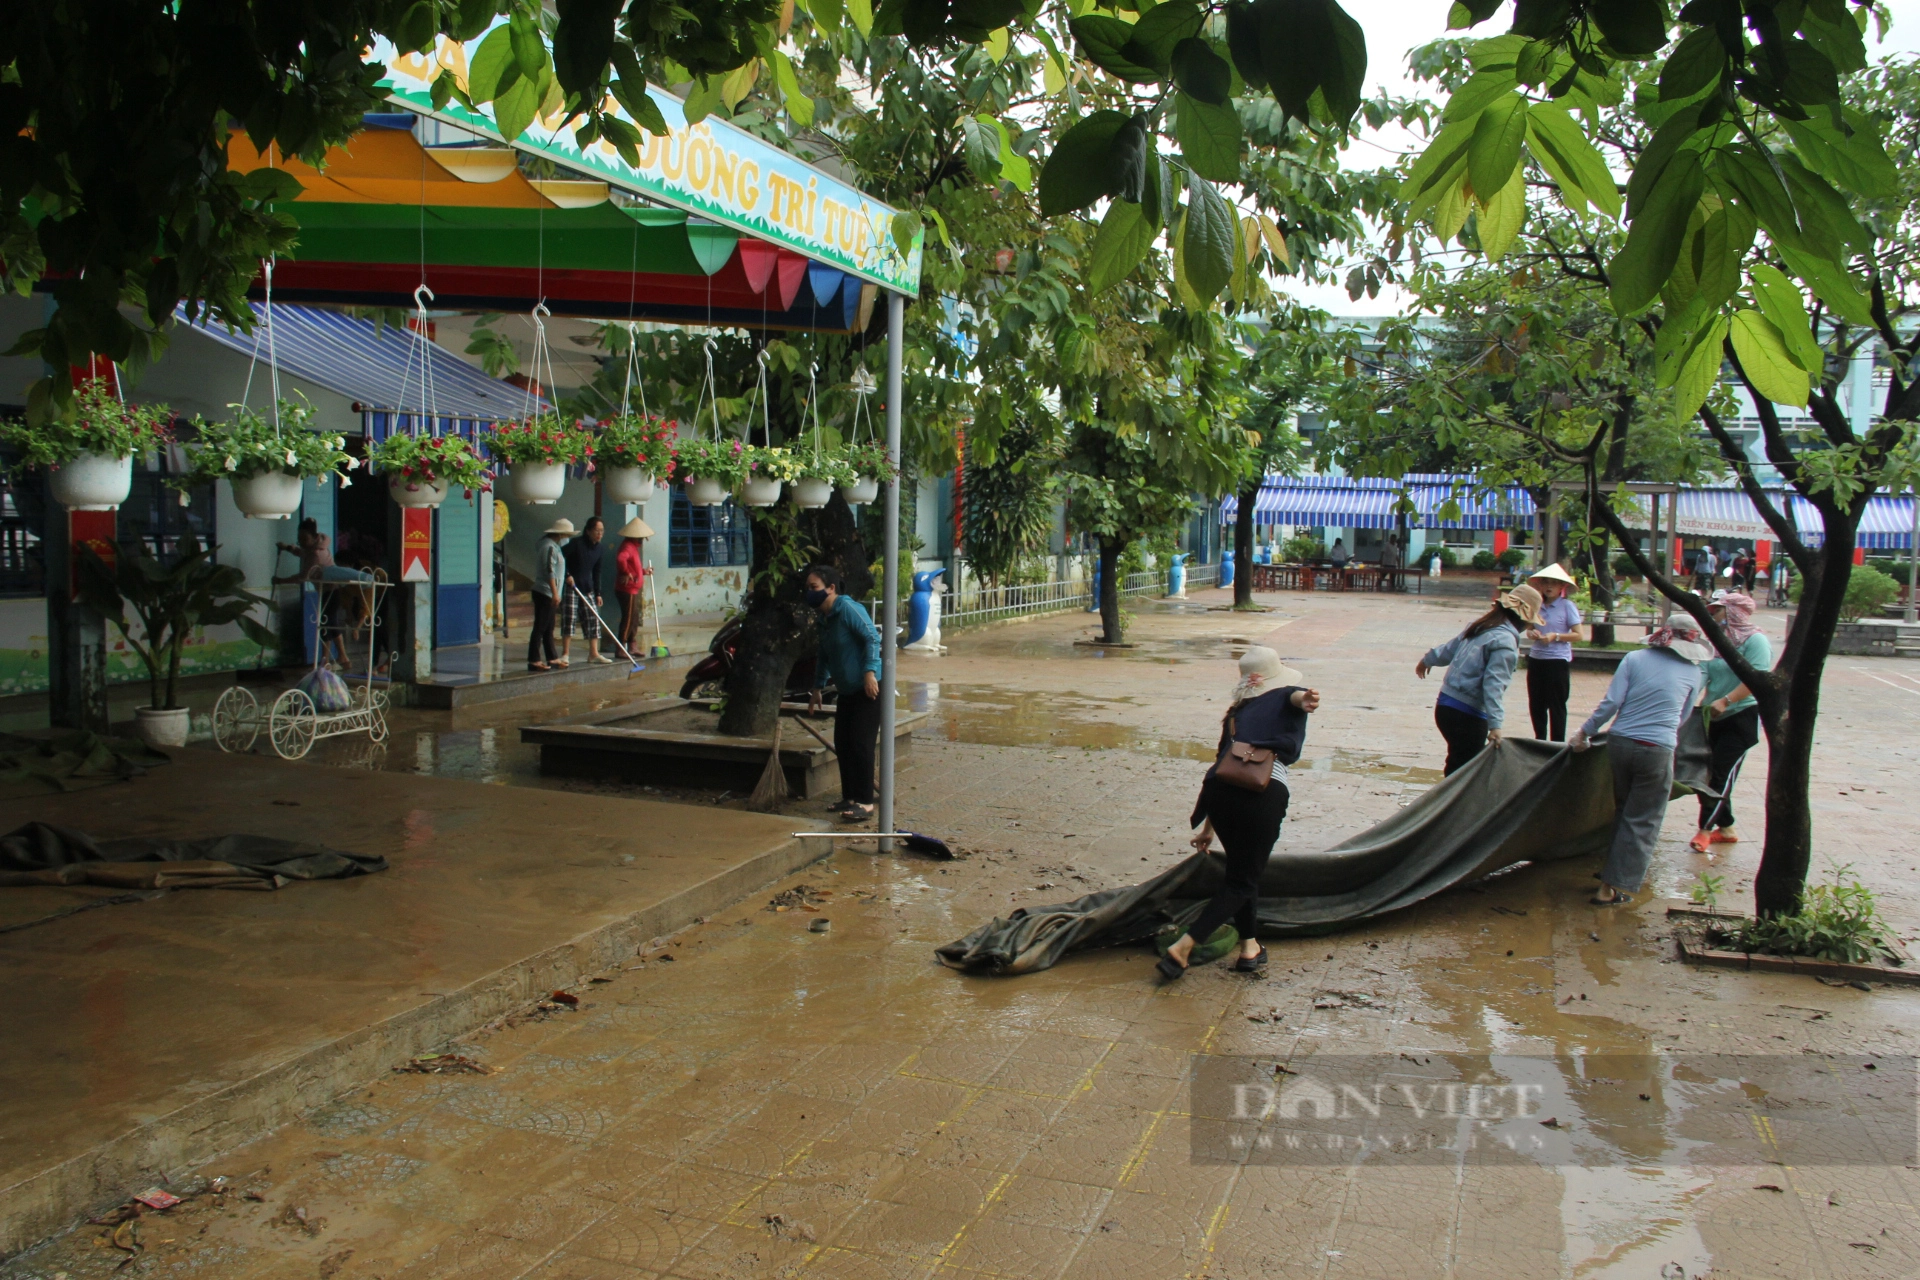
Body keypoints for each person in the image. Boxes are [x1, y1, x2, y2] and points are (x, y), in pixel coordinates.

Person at [1158, 647, 1319, 981]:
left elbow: (1222, 765)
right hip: (1261, 795)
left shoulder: (1236, 713)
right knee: (1243, 878)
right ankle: (1185, 946)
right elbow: (1296, 697)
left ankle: (1249, 948)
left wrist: (1207, 828)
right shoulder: (1283, 695)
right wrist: (1307, 698)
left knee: (1242, 870)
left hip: (1219, 795)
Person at [1569, 613, 1711, 905]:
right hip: (1657, 749)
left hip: (1619, 744)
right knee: (1643, 819)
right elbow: (1682, 718)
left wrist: (1584, 732)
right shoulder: (1693, 673)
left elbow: (1612, 703)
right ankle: (1612, 887)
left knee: (1624, 809)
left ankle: (1610, 869)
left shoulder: (1634, 659)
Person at [1416, 583, 1543, 775]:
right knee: (1465, 772)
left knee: (1457, 763)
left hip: (1445, 707)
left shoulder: (1481, 626)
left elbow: (1449, 650)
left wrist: (1428, 660)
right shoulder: (1505, 642)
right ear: (1523, 620)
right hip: (1468, 714)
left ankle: (1448, 802)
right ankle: (1451, 804)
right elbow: (1493, 685)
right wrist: (1496, 725)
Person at [1690, 591, 1771, 853]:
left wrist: (1727, 700)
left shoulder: (1755, 640)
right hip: (1712, 715)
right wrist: (1691, 697)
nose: (1713, 614)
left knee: (1721, 774)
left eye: (1718, 610)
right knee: (1710, 773)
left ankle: (1704, 829)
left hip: (1741, 716)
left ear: (1733, 611)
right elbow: (1704, 669)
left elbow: (1756, 678)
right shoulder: (1718, 640)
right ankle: (1726, 828)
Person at [805, 565, 884, 822]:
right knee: (844, 744)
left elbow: (872, 637)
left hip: (867, 689)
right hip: (846, 689)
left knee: (861, 744)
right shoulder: (824, 619)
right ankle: (849, 797)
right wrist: (817, 687)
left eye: (814, 587)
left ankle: (866, 802)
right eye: (808, 588)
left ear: (831, 588)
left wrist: (870, 672)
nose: (810, 592)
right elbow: (824, 656)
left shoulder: (848, 609)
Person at [1523, 565, 1583, 741]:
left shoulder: (1567, 606)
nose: (1549, 587)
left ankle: (1557, 744)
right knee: (1536, 704)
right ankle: (1539, 740)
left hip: (1557, 661)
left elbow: (1578, 635)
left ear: (1561, 587)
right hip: (1536, 659)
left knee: (1556, 705)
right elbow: (1529, 628)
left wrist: (1556, 636)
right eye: (1546, 583)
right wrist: (1532, 633)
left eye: (1554, 583)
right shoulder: (1537, 606)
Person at [560, 515, 609, 664]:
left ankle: (593, 653)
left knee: (593, 620)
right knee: (569, 619)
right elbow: (560, 557)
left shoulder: (600, 548)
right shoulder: (576, 543)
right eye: (596, 530)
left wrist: (598, 592)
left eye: (602, 530)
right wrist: (567, 574)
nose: (599, 533)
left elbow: (597, 571)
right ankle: (565, 654)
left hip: (588, 588)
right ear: (588, 531)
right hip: (572, 586)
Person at [529, 517, 572, 671]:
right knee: (540, 627)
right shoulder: (549, 548)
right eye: (567, 535)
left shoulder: (554, 546)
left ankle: (552, 657)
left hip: (551, 592)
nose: (567, 538)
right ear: (560, 534)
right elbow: (549, 571)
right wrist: (555, 593)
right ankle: (534, 659)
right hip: (545, 592)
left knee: (549, 627)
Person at [613, 516, 653, 658]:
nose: (642, 540)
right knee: (628, 618)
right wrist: (626, 572)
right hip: (626, 589)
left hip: (633, 589)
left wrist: (644, 572)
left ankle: (632, 645)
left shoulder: (633, 547)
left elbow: (633, 566)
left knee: (634, 618)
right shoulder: (627, 546)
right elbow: (621, 559)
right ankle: (621, 647)